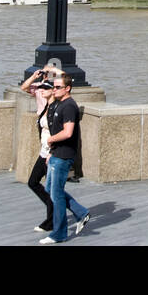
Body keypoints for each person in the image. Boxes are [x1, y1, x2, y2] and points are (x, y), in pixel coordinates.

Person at [40, 77, 90, 243]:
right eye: (53, 87)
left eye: (58, 87)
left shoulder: (69, 106)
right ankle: (81, 213)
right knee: (51, 190)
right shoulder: (59, 104)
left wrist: (50, 140)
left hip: (64, 156)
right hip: (56, 154)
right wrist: (50, 153)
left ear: (67, 88)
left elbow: (68, 133)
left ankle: (59, 233)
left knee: (56, 194)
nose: (54, 89)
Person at [20, 66, 58, 231]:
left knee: (51, 188)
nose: (42, 91)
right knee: (34, 182)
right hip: (44, 148)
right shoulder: (39, 89)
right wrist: (36, 76)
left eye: (46, 89)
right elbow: (24, 87)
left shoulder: (56, 101)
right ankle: (56, 214)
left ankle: (53, 220)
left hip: (51, 151)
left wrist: (54, 74)